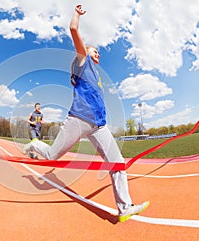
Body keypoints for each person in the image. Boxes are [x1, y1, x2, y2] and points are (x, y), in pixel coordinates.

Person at [23, 5, 149, 222]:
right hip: (78, 120)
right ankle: (34, 145)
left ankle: (125, 207)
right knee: (53, 156)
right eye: (94, 50)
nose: (97, 53)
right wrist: (77, 15)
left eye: (98, 52)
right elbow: (73, 29)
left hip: (99, 126)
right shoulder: (83, 61)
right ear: (85, 53)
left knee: (117, 163)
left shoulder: (96, 74)